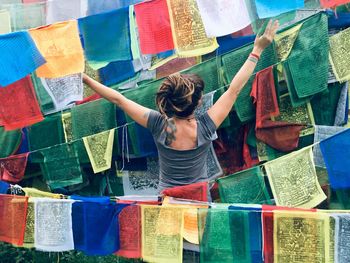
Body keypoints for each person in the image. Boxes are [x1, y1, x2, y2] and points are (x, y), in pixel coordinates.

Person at [83, 20, 279, 192]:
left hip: (169, 203)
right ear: (198, 103)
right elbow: (234, 90)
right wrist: (257, 51)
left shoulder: (160, 125)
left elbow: (119, 99)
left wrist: (85, 79)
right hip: (199, 201)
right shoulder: (204, 127)